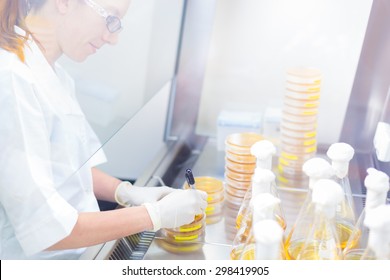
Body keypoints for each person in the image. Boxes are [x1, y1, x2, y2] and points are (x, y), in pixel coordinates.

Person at [0, 0, 207, 259]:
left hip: (83, 253)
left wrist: (126, 192)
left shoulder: (54, 74)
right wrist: (153, 215)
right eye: (111, 19)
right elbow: (46, 228)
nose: (113, 39)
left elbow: (69, 168)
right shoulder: (13, 80)